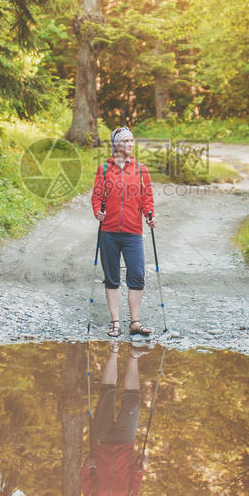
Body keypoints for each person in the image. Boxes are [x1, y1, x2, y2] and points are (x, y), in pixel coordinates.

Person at [81, 342, 149, 496]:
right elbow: (135, 479)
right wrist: (140, 465)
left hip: (100, 443)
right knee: (133, 400)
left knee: (108, 393)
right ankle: (134, 356)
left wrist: (87, 464)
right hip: (124, 445)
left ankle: (114, 350)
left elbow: (85, 475)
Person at [91, 126, 157, 339]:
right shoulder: (103, 169)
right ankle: (115, 323)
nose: (130, 144)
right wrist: (97, 211)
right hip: (108, 231)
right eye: (126, 141)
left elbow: (147, 198)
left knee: (137, 274)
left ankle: (135, 323)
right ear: (116, 144)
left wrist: (149, 215)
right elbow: (97, 196)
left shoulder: (140, 169)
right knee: (112, 278)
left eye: (132, 141)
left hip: (133, 232)